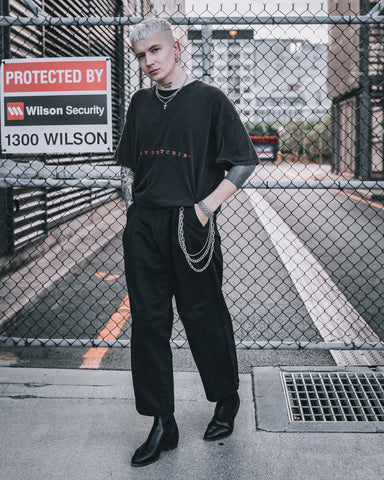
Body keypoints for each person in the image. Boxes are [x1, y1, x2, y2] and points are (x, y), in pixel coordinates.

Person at [115, 18, 259, 467]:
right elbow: (129, 164)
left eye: (155, 51)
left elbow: (243, 162)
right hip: (144, 226)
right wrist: (131, 198)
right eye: (140, 56)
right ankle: (162, 421)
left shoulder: (209, 100)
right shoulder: (139, 104)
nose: (148, 62)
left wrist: (203, 208)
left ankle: (226, 399)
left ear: (176, 47)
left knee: (203, 315)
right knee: (148, 324)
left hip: (188, 223)